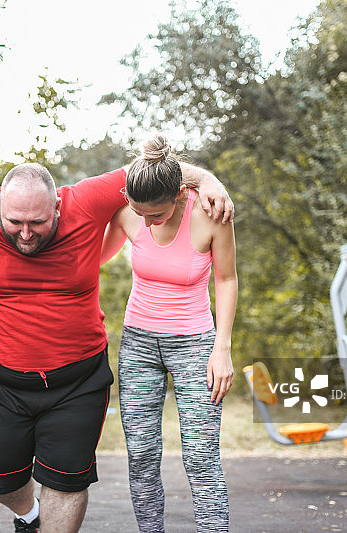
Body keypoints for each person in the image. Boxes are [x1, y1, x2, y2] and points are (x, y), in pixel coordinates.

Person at [0, 153, 233, 533]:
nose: (26, 233)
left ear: (58, 209)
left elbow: (152, 167)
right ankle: (30, 517)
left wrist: (206, 179)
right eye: (15, 222)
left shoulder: (86, 200)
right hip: (1, 379)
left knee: (67, 482)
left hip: (77, 380)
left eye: (38, 222)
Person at [100, 134, 237, 532]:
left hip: (196, 344)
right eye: (139, 212)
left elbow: (227, 280)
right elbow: (91, 260)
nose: (145, 222)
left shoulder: (210, 215)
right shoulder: (130, 211)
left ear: (179, 195)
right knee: (141, 454)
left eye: (155, 215)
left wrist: (221, 348)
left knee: (200, 455)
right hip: (138, 344)